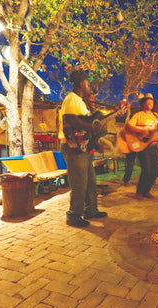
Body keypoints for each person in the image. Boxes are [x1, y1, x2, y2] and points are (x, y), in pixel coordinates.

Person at [58, 69, 107, 228]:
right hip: (73, 148)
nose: (91, 87)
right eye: (89, 83)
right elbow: (70, 120)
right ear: (81, 84)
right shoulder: (72, 98)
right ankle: (73, 216)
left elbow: (84, 127)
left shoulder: (79, 101)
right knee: (79, 183)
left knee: (90, 181)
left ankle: (91, 210)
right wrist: (92, 127)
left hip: (82, 148)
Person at [125, 94, 158, 200]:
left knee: (155, 170)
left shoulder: (156, 116)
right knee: (146, 169)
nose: (151, 103)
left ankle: (146, 191)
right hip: (143, 145)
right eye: (148, 101)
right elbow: (129, 126)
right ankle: (139, 192)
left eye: (152, 101)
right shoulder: (138, 115)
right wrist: (141, 130)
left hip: (154, 145)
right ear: (143, 103)